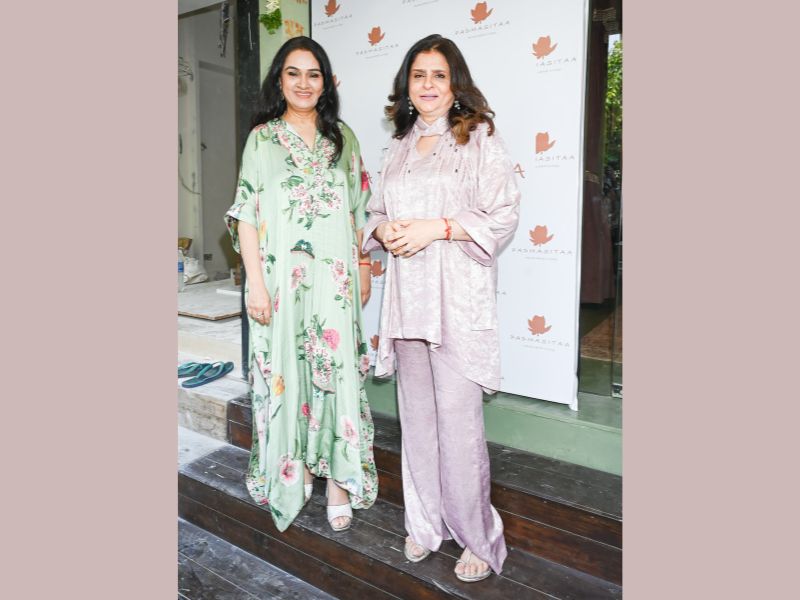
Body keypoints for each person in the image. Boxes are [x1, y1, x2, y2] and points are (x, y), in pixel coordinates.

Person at [362, 34, 520, 582]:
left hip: (456, 302)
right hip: (408, 304)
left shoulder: (479, 138)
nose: (427, 85)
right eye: (418, 75)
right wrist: (381, 230)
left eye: (438, 75)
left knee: (458, 426)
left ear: (456, 84)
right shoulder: (400, 146)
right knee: (418, 422)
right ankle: (426, 523)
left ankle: (478, 535)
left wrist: (439, 228)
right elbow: (375, 214)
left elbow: (503, 215)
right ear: (406, 85)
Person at [225, 36, 377, 534]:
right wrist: (255, 285)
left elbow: (358, 212)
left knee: (335, 372)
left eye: (314, 74)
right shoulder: (262, 140)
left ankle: (338, 482)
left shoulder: (344, 139)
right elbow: (247, 214)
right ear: (280, 80)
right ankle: (298, 471)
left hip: (334, 283)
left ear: (326, 82)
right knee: (288, 373)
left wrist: (362, 266)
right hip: (279, 285)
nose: (304, 83)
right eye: (293, 73)